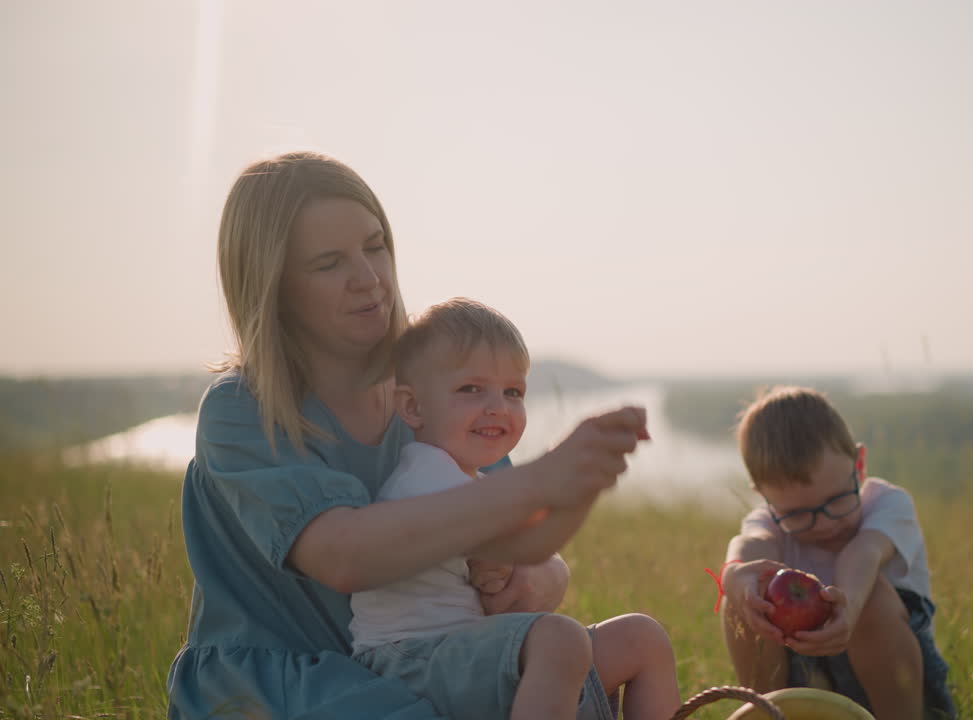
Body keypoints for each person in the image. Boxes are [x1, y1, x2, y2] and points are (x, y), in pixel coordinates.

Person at [167, 151, 651, 719]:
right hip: (285, 686)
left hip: (425, 660)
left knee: (619, 649)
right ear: (273, 287)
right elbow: (345, 554)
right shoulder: (243, 411)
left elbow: (509, 536)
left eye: (375, 247)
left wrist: (543, 575)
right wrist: (545, 479)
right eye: (328, 263)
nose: (369, 279)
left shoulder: (437, 395)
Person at [349, 297, 680, 720]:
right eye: (471, 388)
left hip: (469, 656)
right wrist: (581, 476)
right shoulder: (427, 478)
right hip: (410, 662)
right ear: (413, 407)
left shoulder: (475, 484)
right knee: (559, 639)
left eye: (513, 392)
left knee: (641, 638)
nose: (497, 407)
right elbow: (531, 543)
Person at [716, 386, 956, 720]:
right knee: (744, 597)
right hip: (802, 691)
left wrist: (848, 609)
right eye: (798, 513)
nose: (826, 524)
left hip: (900, 695)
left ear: (859, 465)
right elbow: (750, 544)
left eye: (838, 500)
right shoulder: (771, 523)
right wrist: (735, 576)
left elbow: (864, 553)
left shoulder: (887, 505)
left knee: (870, 593)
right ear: (765, 498)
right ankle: (767, 712)